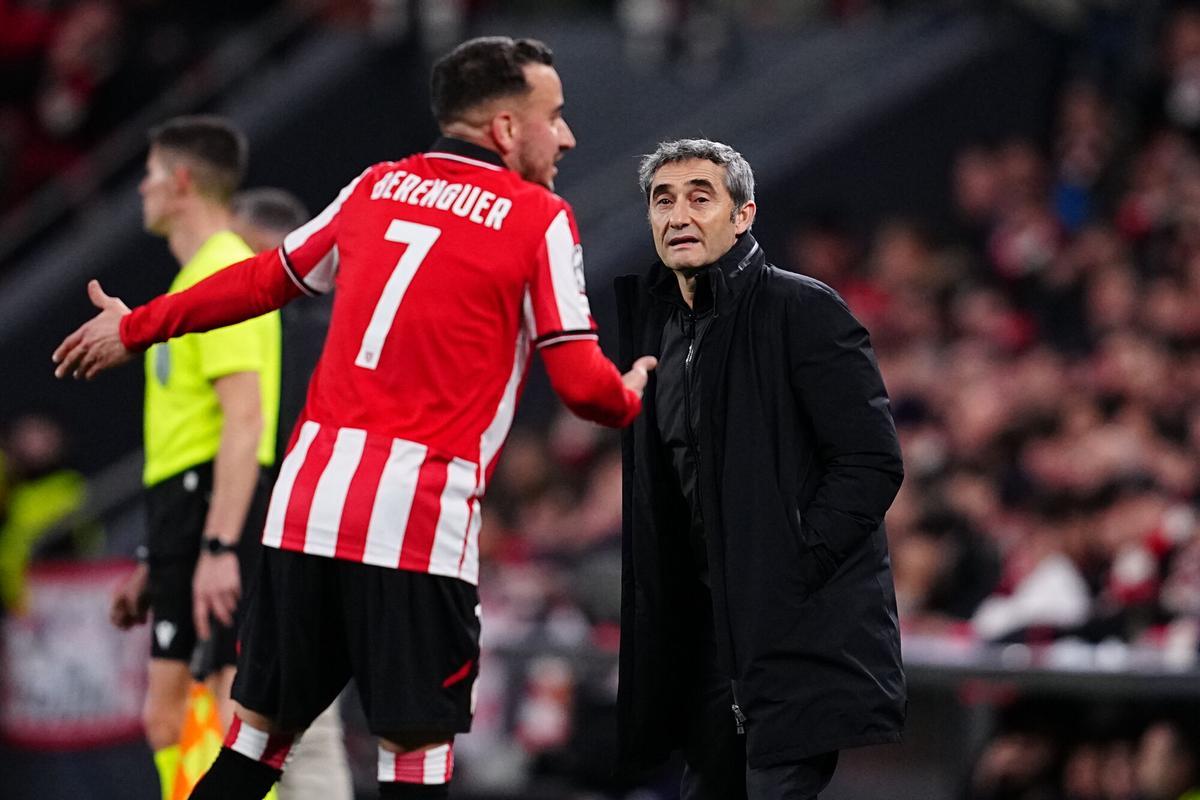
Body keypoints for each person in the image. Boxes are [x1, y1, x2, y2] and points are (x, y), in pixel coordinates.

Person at [53, 36, 656, 800]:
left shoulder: (376, 187)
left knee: (250, 753)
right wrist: (637, 390)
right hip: (416, 524)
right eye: (554, 116)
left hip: (305, 510)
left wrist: (136, 325)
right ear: (506, 129)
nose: (566, 135)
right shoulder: (539, 219)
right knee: (413, 763)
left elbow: (260, 279)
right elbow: (583, 388)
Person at [614, 138, 905, 799]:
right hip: (705, 643)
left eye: (699, 197)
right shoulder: (659, 331)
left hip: (788, 636)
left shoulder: (803, 310)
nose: (678, 214)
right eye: (663, 199)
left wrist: (785, 567)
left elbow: (871, 462)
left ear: (743, 215)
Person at [102, 115, 282, 800]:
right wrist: (157, 555)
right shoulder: (191, 285)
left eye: (149, 174)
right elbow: (193, 425)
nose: (141, 188)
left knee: (226, 708)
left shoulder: (228, 274)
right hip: (183, 506)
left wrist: (217, 545)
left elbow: (244, 418)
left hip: (216, 506)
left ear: (180, 182)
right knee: (171, 716)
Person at [230, 187, 354, 800]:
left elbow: (251, 452)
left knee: (257, 734)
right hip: (341, 545)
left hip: (273, 555)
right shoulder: (347, 327)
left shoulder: (260, 338)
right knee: (313, 736)